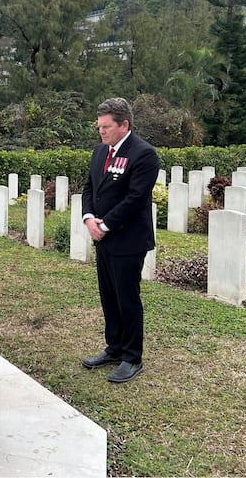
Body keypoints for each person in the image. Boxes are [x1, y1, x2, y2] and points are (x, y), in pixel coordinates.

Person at [81, 97, 159, 383]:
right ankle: (113, 347)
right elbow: (89, 186)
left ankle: (131, 357)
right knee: (109, 295)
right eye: (99, 127)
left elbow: (136, 198)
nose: (101, 132)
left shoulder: (144, 154)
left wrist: (107, 224)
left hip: (127, 238)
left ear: (123, 125)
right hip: (102, 236)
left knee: (127, 297)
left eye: (106, 127)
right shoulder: (100, 151)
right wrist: (89, 218)